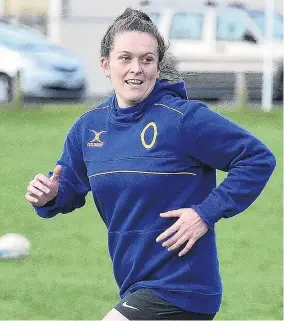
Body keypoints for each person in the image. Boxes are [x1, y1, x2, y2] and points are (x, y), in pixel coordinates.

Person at [25, 8, 276, 321]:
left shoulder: (184, 120)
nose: (137, 68)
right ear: (106, 64)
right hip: (135, 284)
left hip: (182, 288)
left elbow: (256, 158)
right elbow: (68, 188)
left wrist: (205, 213)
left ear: (158, 66)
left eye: (147, 59)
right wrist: (49, 195)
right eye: (125, 58)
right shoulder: (88, 129)